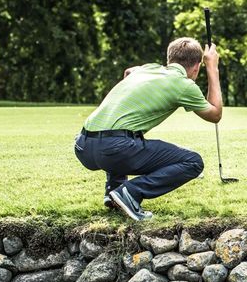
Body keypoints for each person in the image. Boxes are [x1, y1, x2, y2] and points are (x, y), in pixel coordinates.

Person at [74, 36, 223, 221]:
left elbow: (129, 71)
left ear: (170, 59)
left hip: (83, 146)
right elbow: (215, 114)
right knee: (193, 162)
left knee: (128, 138)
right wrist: (213, 68)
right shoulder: (184, 85)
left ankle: (114, 191)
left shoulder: (147, 69)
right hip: (114, 149)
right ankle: (129, 193)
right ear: (197, 66)